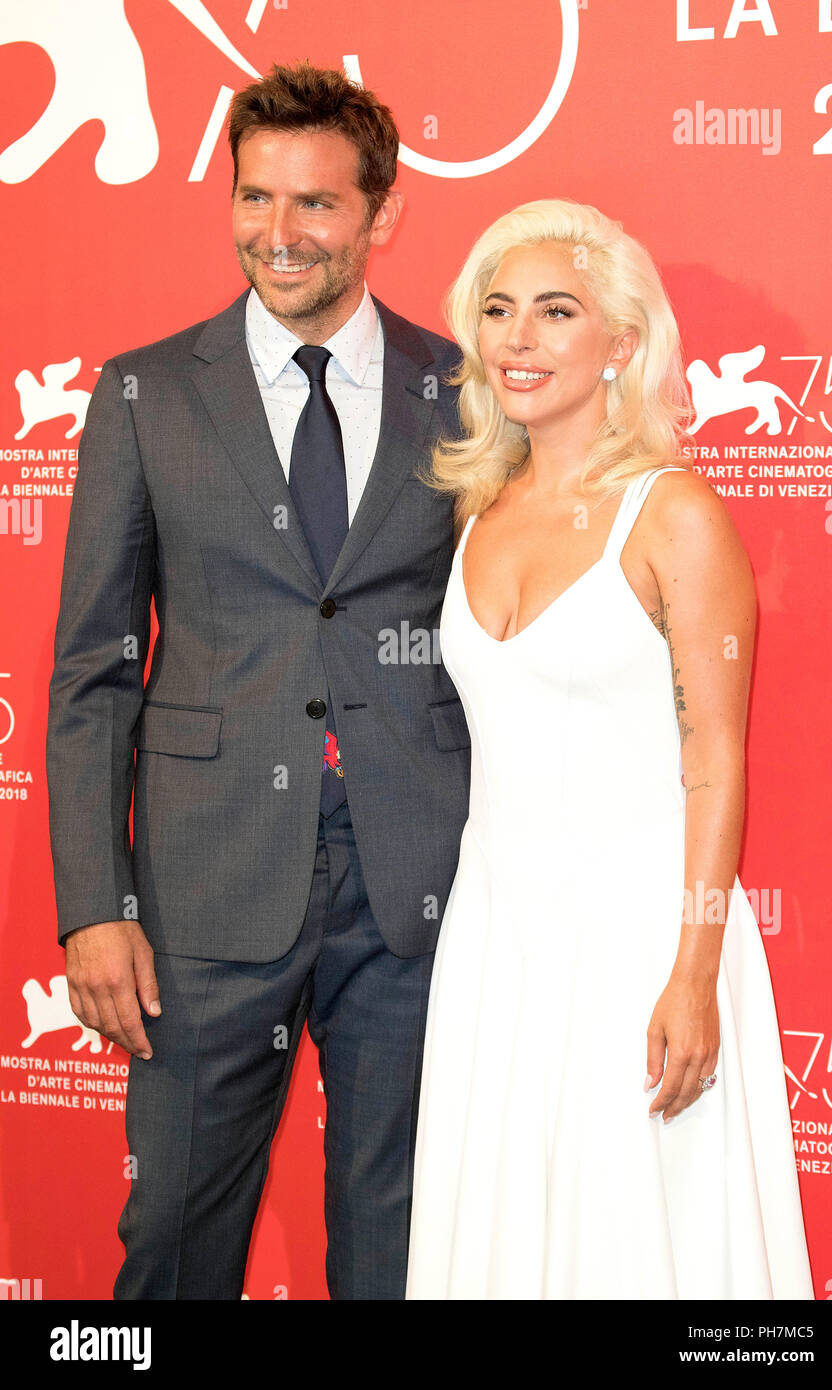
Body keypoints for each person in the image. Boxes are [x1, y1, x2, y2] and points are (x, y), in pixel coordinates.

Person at [45, 61, 470, 1301]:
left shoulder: (463, 388)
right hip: (203, 890)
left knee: (398, 1242)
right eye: (254, 198)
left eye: (316, 205)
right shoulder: (146, 394)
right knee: (174, 1237)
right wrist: (92, 902)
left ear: (381, 215)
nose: (277, 235)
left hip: (414, 888)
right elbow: (90, 671)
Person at [405, 200, 814, 1299]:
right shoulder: (478, 509)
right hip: (496, 941)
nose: (518, 339)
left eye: (555, 310)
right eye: (498, 312)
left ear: (621, 343)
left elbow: (715, 761)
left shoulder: (672, 513)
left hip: (640, 939)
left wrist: (694, 971)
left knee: (641, 1243)